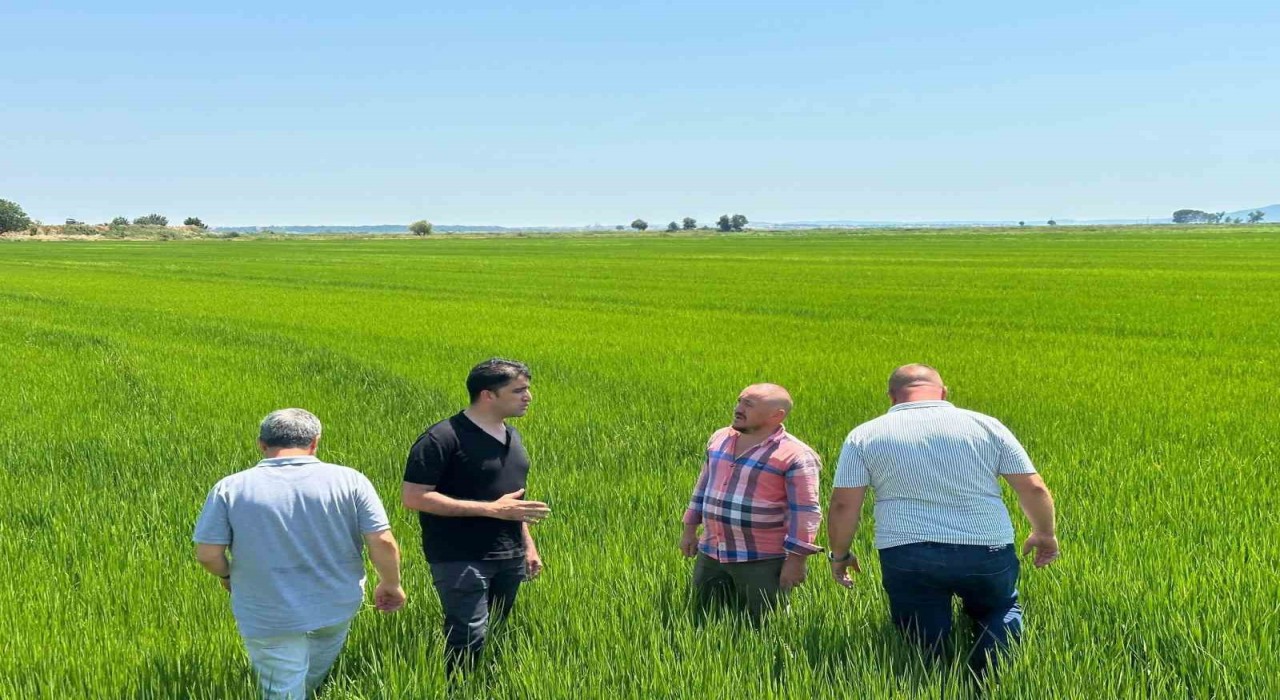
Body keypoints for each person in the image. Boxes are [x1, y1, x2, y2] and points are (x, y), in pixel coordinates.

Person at [827, 364, 1058, 679]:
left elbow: (843, 504)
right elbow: (1033, 487)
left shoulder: (865, 434)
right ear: (944, 392)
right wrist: (1045, 533)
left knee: (923, 637)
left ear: (892, 397)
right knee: (997, 610)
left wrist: (839, 554)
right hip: (986, 546)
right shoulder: (986, 425)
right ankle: (987, 683)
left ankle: (934, 683)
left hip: (908, 550)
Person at [193, 408, 405, 700]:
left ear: (261, 444)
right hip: (336, 601)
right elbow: (383, 541)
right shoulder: (351, 480)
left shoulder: (230, 487)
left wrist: (228, 575)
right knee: (315, 664)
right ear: (315, 442)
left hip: (266, 608)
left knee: (282, 685)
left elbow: (207, 554)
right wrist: (391, 584)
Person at [401, 358, 550, 676]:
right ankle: (458, 689)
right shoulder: (442, 439)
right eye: (519, 390)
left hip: (508, 554)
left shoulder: (513, 437)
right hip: (460, 555)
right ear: (488, 395)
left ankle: (487, 685)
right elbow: (413, 497)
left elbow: (514, 500)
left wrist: (528, 545)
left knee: (496, 632)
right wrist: (490, 509)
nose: (529, 396)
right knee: (468, 636)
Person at [680, 383, 823, 622]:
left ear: (775, 415)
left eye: (749, 404)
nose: (738, 408)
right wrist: (689, 530)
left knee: (763, 626)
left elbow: (806, 513)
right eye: (739, 401)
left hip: (762, 560)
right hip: (712, 551)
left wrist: (796, 561)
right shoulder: (719, 439)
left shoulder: (796, 455)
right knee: (703, 619)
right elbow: (702, 487)